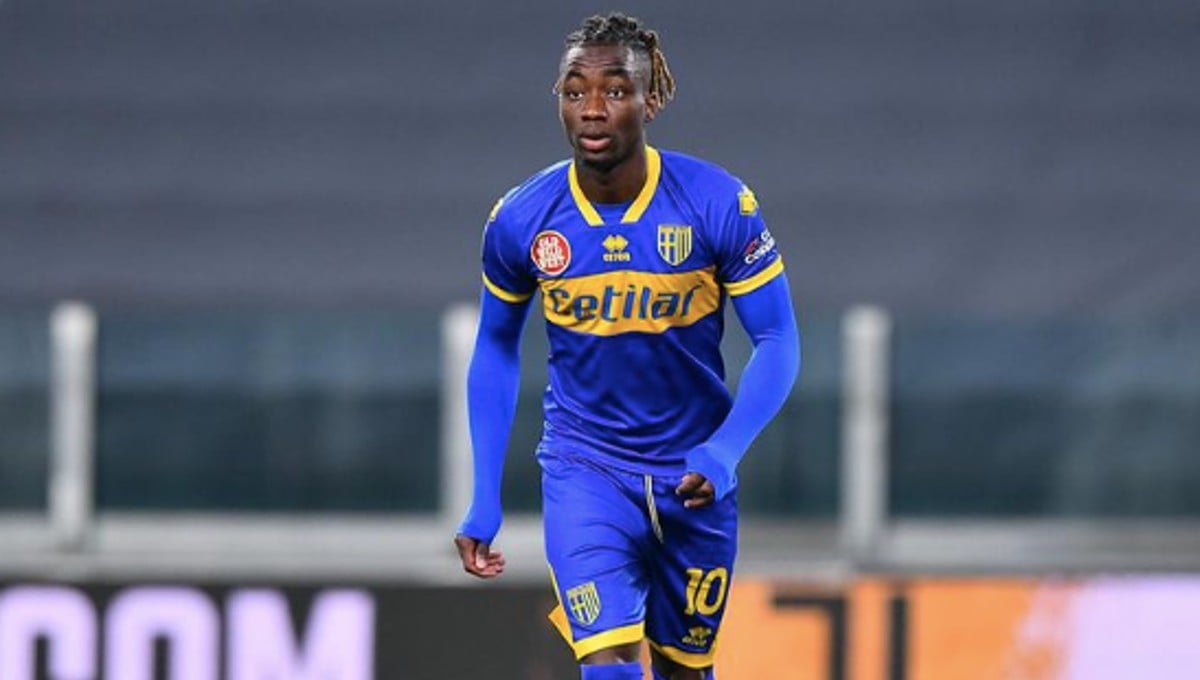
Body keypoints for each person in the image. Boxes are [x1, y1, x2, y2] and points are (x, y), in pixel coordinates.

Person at [453, 12, 800, 680]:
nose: (592, 109)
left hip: (692, 478)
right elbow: (495, 347)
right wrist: (484, 495)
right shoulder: (522, 219)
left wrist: (725, 450)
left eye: (614, 90)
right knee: (607, 664)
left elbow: (778, 338)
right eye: (574, 90)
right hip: (585, 469)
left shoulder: (716, 203)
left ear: (652, 98)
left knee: (683, 670)